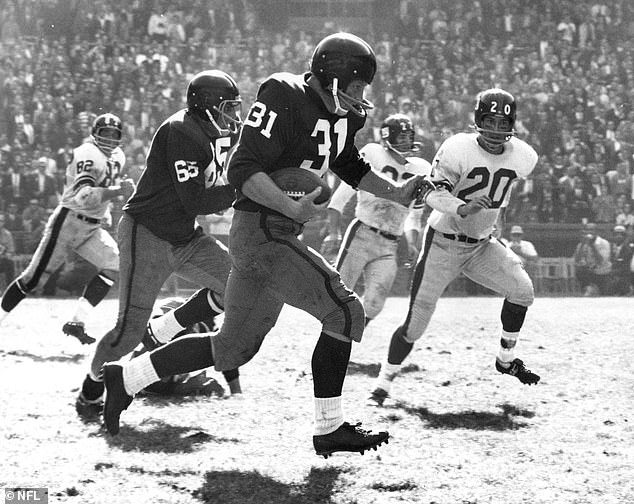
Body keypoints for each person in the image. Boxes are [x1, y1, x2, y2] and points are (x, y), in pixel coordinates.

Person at [102, 32, 431, 457]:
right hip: (261, 230)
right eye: (356, 85)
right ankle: (329, 428)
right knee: (344, 311)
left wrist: (399, 192)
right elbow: (242, 167)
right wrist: (288, 210)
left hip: (277, 232)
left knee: (232, 347)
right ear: (332, 77)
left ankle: (124, 380)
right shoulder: (283, 92)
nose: (361, 95)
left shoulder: (344, 116)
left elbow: (348, 164)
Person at [75, 70, 243, 419]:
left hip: (184, 235)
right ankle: (91, 389)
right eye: (227, 107)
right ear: (208, 106)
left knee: (238, 287)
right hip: (147, 234)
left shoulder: (210, 133)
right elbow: (196, 199)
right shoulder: (180, 131)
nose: (233, 116)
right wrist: (242, 189)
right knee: (126, 333)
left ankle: (166, 327)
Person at [368, 88, 542, 408]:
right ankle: (383, 382)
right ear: (478, 120)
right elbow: (431, 194)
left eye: (503, 124)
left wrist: (492, 219)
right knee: (416, 323)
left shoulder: (524, 156)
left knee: (523, 290)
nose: (496, 130)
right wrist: (463, 207)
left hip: (481, 246)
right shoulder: (457, 147)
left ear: (512, 125)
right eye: (490, 121)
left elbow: (501, 190)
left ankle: (506, 359)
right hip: (444, 244)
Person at [0, 113, 133, 343]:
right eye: (105, 133)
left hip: (92, 228)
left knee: (116, 265)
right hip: (69, 222)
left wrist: (107, 209)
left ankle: (76, 322)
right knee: (32, 280)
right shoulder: (87, 153)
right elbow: (84, 195)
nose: (110, 139)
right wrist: (117, 191)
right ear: (95, 134)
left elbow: (104, 189)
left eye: (115, 134)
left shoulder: (119, 156)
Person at [323, 113, 432, 326]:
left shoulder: (421, 168)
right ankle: (332, 348)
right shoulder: (373, 154)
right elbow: (338, 200)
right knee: (338, 295)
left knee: (375, 303)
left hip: (390, 243)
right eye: (400, 137)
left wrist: (411, 241)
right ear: (387, 138)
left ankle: (346, 345)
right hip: (362, 234)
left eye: (408, 136)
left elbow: (415, 215)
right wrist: (334, 232)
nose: (406, 142)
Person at [572, 222, 611, 296]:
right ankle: (588, 289)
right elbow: (577, 260)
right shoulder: (582, 244)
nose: (589, 232)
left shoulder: (604, 243)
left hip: (602, 273)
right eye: (587, 230)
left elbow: (601, 261)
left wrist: (592, 246)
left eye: (592, 230)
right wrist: (582, 245)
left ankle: (595, 290)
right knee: (580, 271)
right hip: (590, 273)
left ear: (596, 232)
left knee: (604, 296)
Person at [608, 225, 633, 295]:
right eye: (616, 234)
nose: (618, 236)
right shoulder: (610, 246)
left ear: (624, 236)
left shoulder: (628, 249)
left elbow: (626, 266)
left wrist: (613, 271)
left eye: (621, 234)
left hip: (623, 275)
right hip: (609, 273)